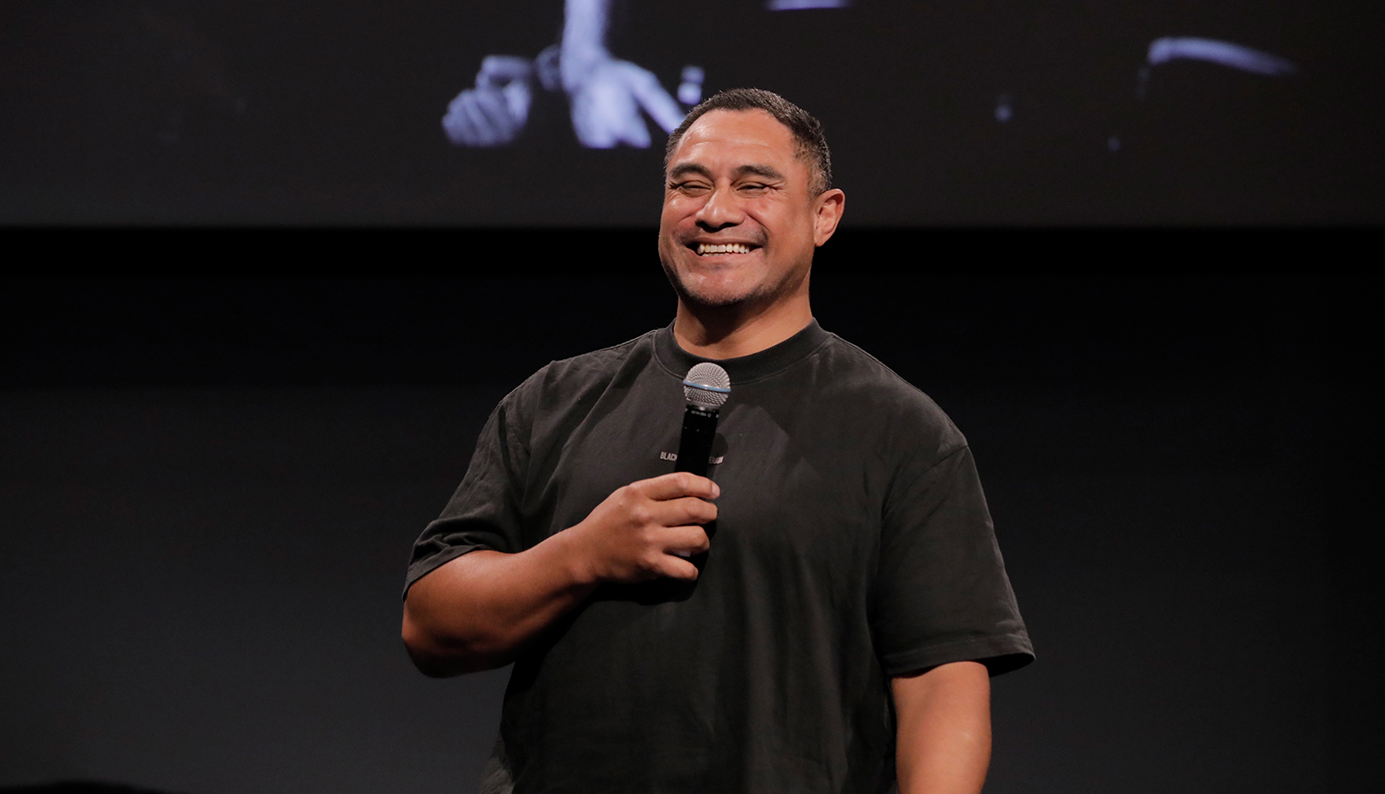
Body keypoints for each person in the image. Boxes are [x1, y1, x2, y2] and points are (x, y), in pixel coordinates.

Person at [402, 87, 1034, 793]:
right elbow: (432, 626)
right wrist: (582, 554)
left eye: (755, 186)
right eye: (688, 185)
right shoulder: (553, 401)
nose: (715, 210)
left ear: (825, 216)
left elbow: (941, 684)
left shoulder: (903, 432)